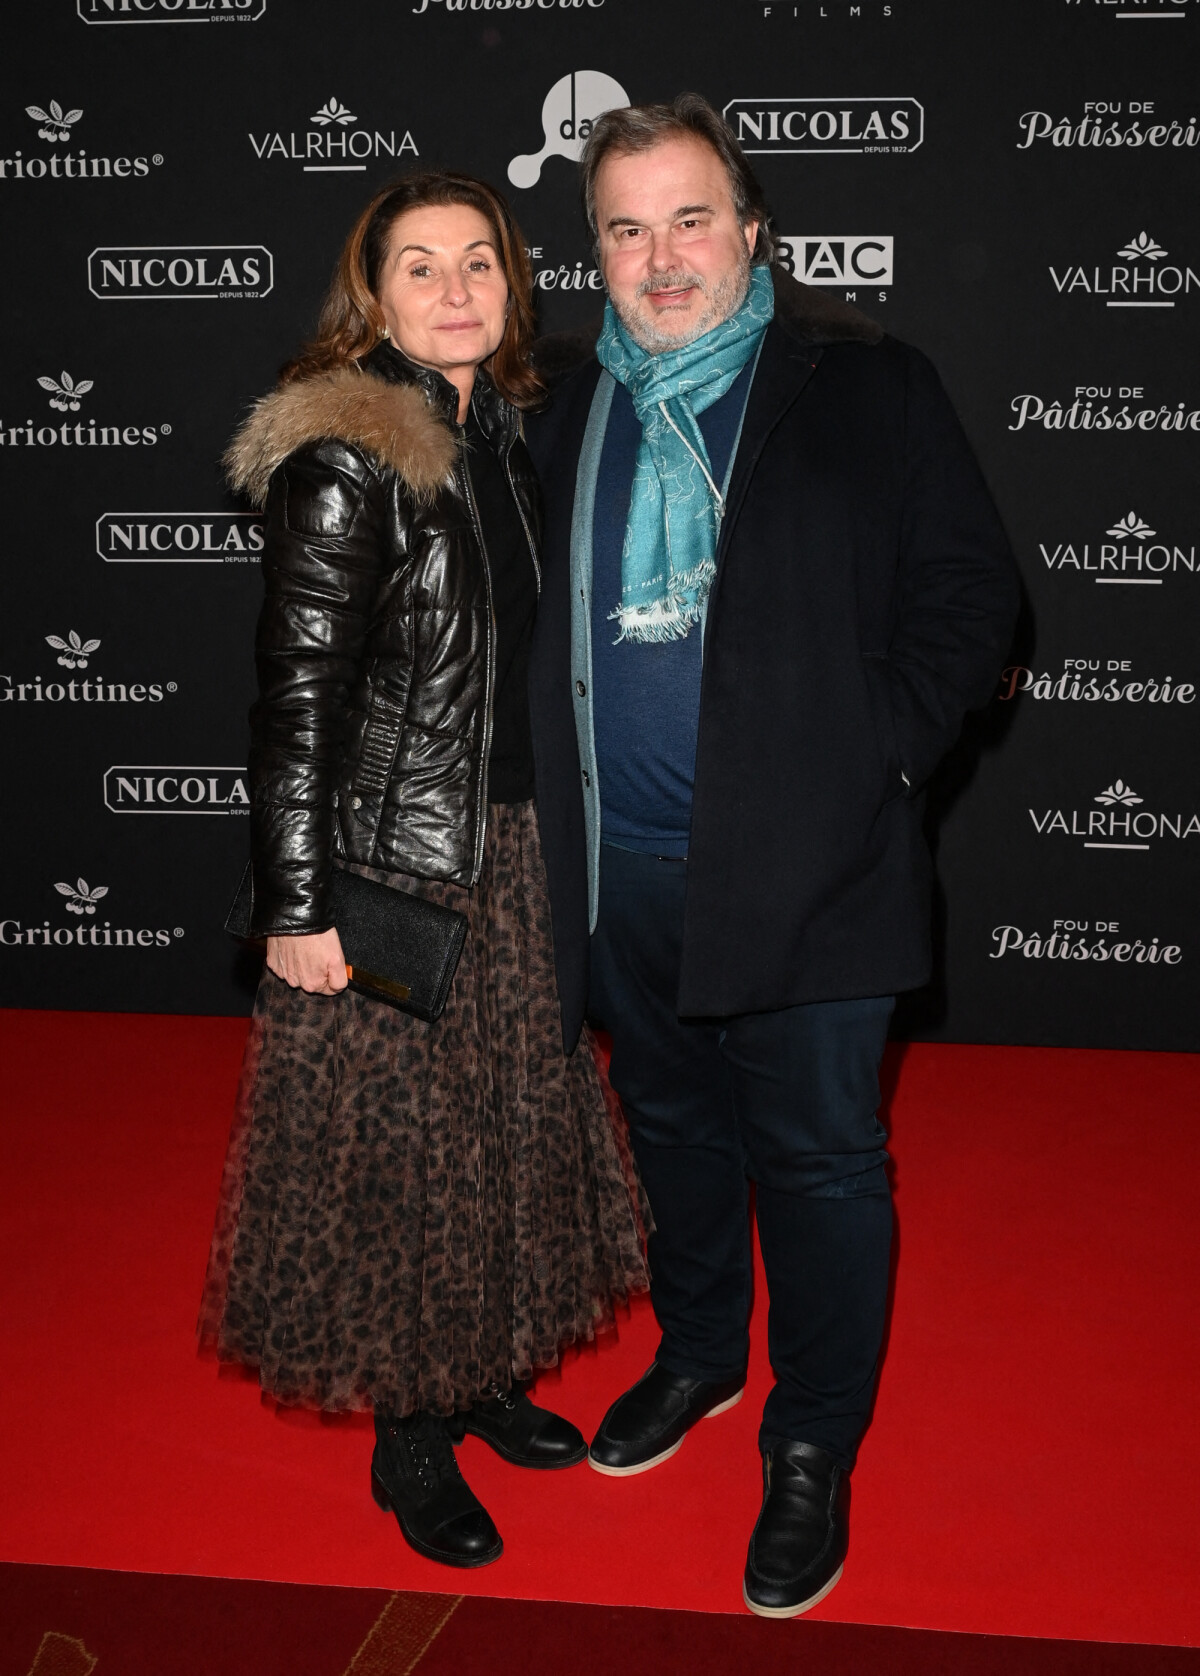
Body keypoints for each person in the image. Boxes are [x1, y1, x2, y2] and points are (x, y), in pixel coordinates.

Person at [525, 96, 1020, 1616]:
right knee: (672, 1134)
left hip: (815, 875)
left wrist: (869, 761)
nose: (662, 258)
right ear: (593, 254)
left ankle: (811, 1443)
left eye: (691, 220)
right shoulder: (555, 409)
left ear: (753, 231)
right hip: (622, 874)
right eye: (626, 228)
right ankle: (699, 1360)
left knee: (817, 1166)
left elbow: (972, 601)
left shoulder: (866, 386)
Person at [198, 171, 649, 1572]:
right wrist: (296, 904)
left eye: (480, 265)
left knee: (503, 1133)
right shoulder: (353, 460)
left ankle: (478, 1372)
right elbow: (297, 703)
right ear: (373, 297)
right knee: (402, 1162)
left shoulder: (501, 437)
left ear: (513, 288)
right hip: (397, 863)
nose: (456, 291)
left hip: (513, 846)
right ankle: (410, 1436)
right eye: (419, 269)